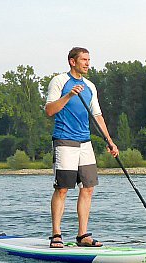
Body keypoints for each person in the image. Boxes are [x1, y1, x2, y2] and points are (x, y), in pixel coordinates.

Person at [43, 47, 119, 248]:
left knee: (88, 188)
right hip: (64, 141)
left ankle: (82, 235)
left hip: (85, 142)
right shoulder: (59, 81)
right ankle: (56, 235)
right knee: (62, 189)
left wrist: (109, 141)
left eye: (89, 59)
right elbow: (49, 110)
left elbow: (97, 116)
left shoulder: (90, 86)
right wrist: (68, 95)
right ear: (72, 61)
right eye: (83, 59)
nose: (87, 63)